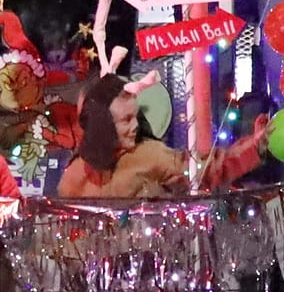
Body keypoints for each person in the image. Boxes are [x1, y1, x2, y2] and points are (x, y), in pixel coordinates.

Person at [58, 74, 188, 199]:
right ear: (104, 125)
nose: (136, 125)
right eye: (126, 120)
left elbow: (197, 172)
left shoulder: (152, 154)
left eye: (136, 117)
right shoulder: (75, 174)